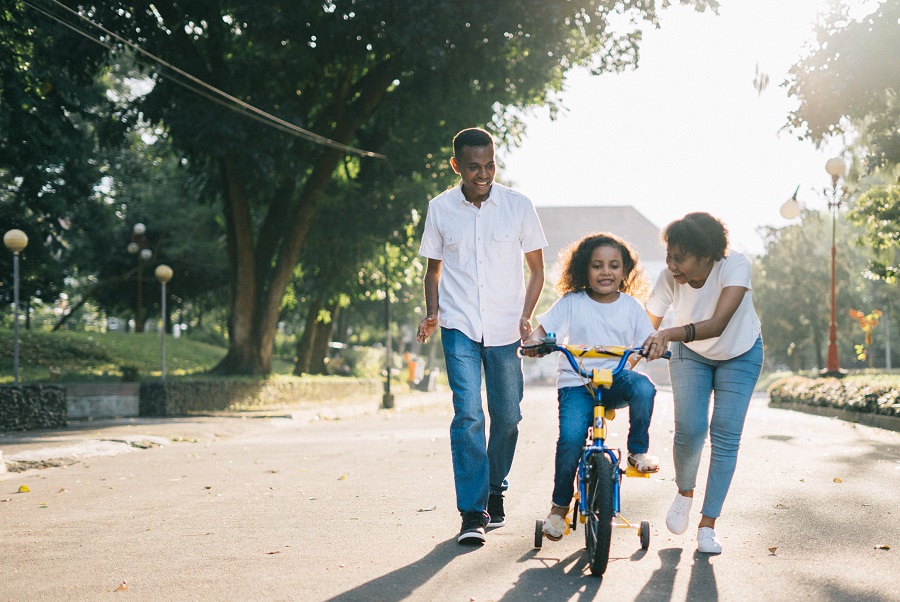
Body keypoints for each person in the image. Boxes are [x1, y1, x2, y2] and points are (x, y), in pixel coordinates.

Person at [416, 127, 547, 545]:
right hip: (459, 327)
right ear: (457, 166)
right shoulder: (440, 209)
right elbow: (433, 270)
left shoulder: (518, 206)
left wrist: (527, 316)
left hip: (507, 328)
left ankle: (495, 488)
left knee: (508, 417)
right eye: (473, 167)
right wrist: (433, 313)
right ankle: (472, 512)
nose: (483, 174)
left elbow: (537, 269)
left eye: (489, 165)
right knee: (469, 414)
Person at [522, 232, 660, 541]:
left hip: (614, 380)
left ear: (625, 271)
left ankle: (638, 452)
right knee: (571, 439)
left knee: (645, 388)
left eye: (614, 265)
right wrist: (534, 342)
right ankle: (558, 509)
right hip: (577, 382)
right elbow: (543, 331)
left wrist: (652, 348)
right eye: (597, 265)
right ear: (585, 269)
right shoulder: (572, 302)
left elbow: (647, 341)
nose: (606, 272)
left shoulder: (632, 307)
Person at [641, 212, 763, 555]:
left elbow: (719, 323)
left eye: (680, 257)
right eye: (669, 255)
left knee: (725, 434)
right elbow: (645, 327)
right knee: (690, 429)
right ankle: (684, 492)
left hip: (740, 352)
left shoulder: (734, 266)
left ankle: (708, 525)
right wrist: (626, 361)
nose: (671, 264)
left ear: (706, 255)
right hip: (690, 354)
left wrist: (668, 333)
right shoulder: (669, 278)